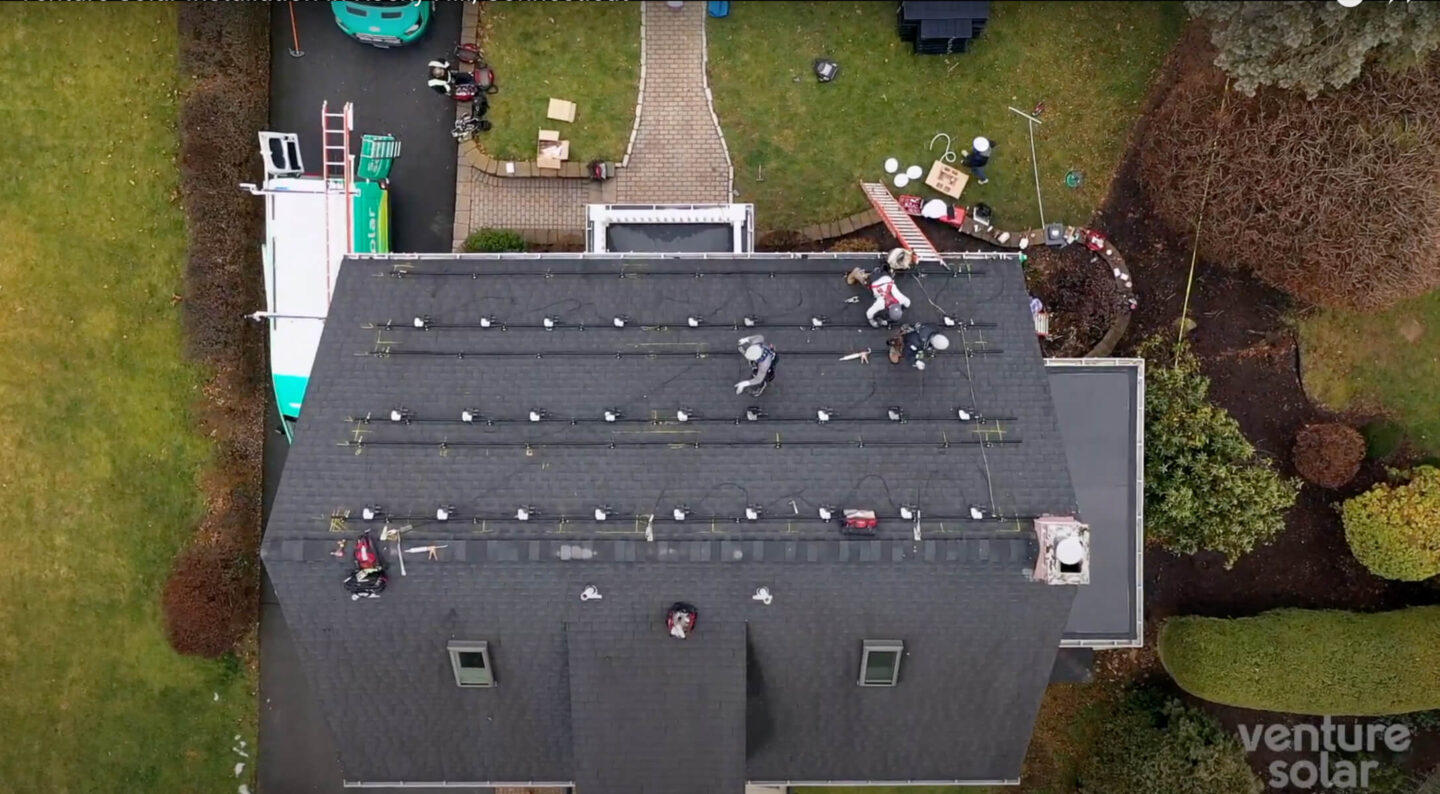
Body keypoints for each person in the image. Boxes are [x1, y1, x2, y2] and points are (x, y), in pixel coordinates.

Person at [844, 249, 913, 328]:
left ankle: (871, 273)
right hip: (873, 282)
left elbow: (908, 303)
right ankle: (856, 274)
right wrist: (872, 321)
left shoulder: (901, 299)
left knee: (884, 274)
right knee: (865, 283)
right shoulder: (881, 304)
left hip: (885, 277)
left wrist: (902, 309)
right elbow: (869, 313)